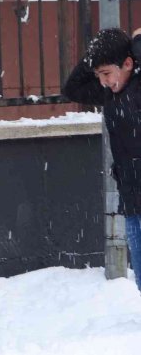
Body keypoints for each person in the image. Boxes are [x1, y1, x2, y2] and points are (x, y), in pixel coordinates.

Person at [63, 27, 141, 292]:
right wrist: (94, 58)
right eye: (98, 76)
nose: (103, 81)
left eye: (106, 74)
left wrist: (137, 43)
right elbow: (71, 88)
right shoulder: (110, 93)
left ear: (128, 64)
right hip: (132, 201)